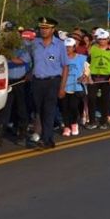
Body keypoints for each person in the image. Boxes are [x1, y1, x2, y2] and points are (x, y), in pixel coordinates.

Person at [30, 17, 69, 149]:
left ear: (53, 29)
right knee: (40, 110)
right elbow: (25, 59)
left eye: (46, 28)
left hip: (52, 82)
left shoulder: (60, 45)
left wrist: (62, 87)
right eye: (42, 28)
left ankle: (45, 139)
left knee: (49, 110)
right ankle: (49, 138)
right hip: (37, 82)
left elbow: (65, 67)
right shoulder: (34, 43)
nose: (43, 30)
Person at [0, 29, 33, 145]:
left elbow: (22, 61)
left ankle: (22, 134)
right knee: (5, 108)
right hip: (7, 81)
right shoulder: (3, 47)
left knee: (21, 108)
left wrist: (7, 57)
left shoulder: (24, 46)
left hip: (20, 80)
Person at [87, 29, 110, 129]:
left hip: (107, 78)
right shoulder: (93, 49)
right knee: (91, 98)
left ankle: (104, 121)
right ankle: (92, 121)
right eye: (100, 39)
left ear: (108, 39)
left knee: (105, 100)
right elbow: (87, 63)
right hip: (94, 77)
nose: (102, 41)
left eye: (104, 39)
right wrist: (88, 76)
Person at [60, 38, 87, 136]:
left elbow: (87, 69)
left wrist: (84, 76)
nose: (67, 49)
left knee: (73, 106)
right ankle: (67, 127)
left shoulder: (81, 58)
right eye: (65, 47)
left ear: (74, 47)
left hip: (76, 86)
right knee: (64, 107)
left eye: (69, 47)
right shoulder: (60, 58)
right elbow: (51, 61)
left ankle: (74, 123)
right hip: (63, 86)